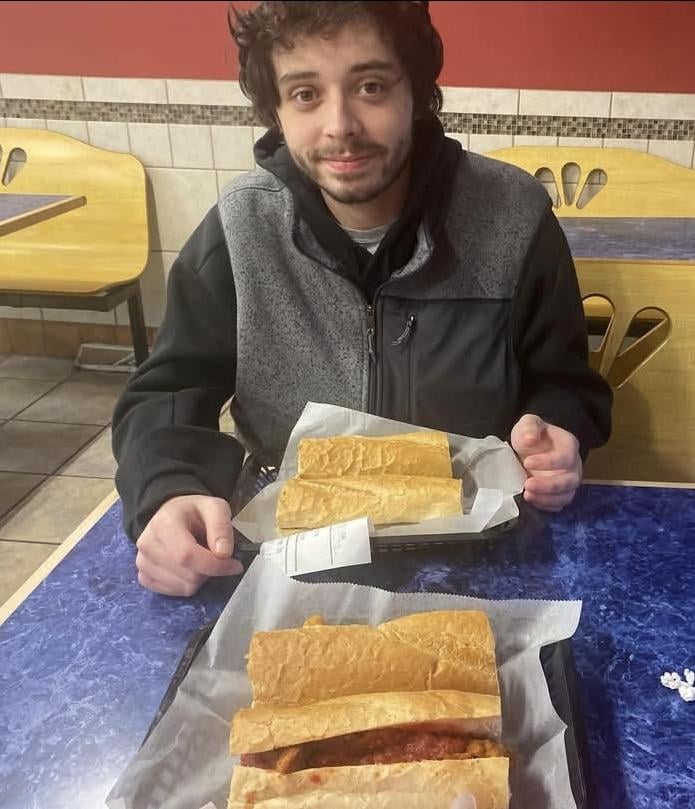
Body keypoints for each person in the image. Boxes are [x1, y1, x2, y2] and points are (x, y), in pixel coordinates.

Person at [112, 0, 612, 596]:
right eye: (304, 94)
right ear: (275, 109)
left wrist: (559, 430)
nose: (340, 124)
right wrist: (169, 488)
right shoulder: (241, 227)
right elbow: (169, 392)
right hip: (292, 560)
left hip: (489, 555)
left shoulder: (514, 217)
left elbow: (564, 380)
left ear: (417, 92)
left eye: (370, 86)